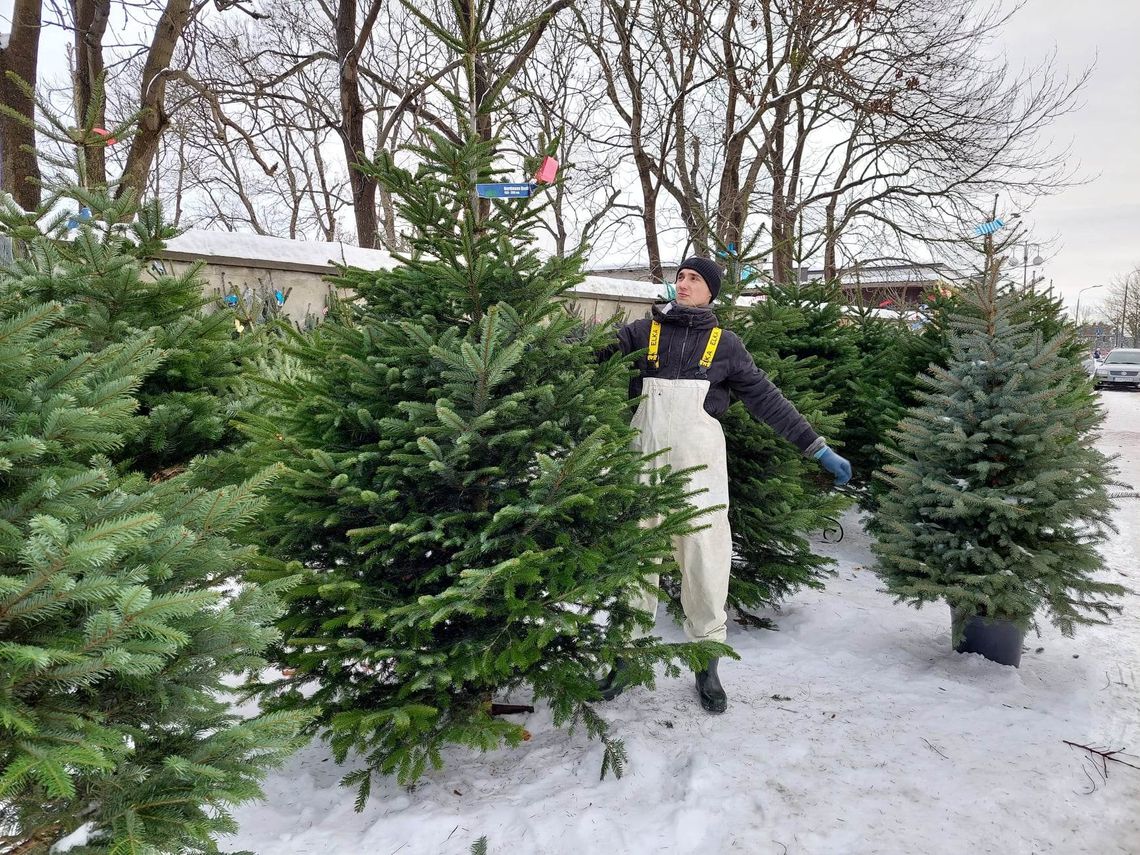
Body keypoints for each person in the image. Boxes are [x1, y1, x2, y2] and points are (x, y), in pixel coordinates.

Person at [597, 257, 851, 714]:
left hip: (700, 474)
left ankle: (706, 662)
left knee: (706, 562)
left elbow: (767, 400)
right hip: (642, 468)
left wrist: (816, 447)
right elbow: (588, 353)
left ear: (712, 291)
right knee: (634, 559)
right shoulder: (640, 333)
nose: (684, 283)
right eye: (681, 277)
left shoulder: (726, 346)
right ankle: (624, 658)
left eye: (695, 278)